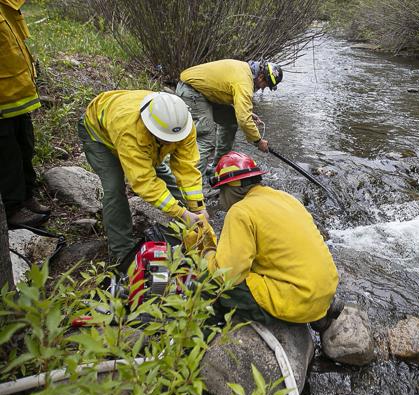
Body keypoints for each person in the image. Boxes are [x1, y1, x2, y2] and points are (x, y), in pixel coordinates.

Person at [187, 151, 341, 330]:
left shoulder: (240, 211)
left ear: (231, 188)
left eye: (220, 192)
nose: (220, 199)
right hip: (325, 291)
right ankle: (319, 315)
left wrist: (205, 250)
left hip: (298, 300)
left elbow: (227, 275)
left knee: (209, 281)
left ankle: (201, 342)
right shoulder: (286, 198)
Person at [78, 90, 206, 262]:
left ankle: (188, 232)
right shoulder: (129, 130)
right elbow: (143, 181)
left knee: (169, 180)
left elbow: (187, 168)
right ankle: (122, 253)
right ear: (151, 129)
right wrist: (181, 213)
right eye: (166, 139)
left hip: (145, 142)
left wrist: (198, 208)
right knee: (114, 188)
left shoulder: (182, 125)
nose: (171, 143)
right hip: (99, 135)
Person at [175, 59, 283, 177]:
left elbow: (227, 93)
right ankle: (194, 184)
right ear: (261, 77)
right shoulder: (245, 82)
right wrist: (258, 141)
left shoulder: (245, 71)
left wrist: (248, 113)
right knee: (207, 138)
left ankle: (217, 168)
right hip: (191, 91)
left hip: (205, 93)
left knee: (231, 120)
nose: (263, 88)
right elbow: (244, 120)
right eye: (265, 85)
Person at [0, 0, 50, 228]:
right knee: (7, 156)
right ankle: (12, 208)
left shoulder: (7, 5)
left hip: (18, 94)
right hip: (2, 101)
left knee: (25, 147)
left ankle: (27, 195)